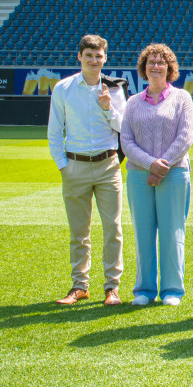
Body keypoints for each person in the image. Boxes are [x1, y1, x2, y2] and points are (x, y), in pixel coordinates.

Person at [47, 34, 127, 306]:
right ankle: (80, 286)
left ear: (105, 58)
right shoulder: (63, 88)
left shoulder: (114, 89)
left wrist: (107, 109)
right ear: (79, 56)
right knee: (79, 231)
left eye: (99, 56)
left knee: (112, 228)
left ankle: (111, 287)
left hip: (108, 166)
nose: (94, 60)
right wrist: (63, 166)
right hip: (75, 166)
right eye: (89, 55)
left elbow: (124, 128)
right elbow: (55, 130)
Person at [121, 43, 193, 307]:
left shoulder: (182, 98)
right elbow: (126, 141)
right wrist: (151, 164)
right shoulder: (132, 103)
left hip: (174, 174)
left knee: (172, 231)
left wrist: (162, 166)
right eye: (151, 62)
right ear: (144, 68)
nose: (156, 66)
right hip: (140, 176)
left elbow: (186, 136)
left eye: (161, 62)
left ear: (169, 68)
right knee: (143, 232)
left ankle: (172, 290)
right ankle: (144, 289)